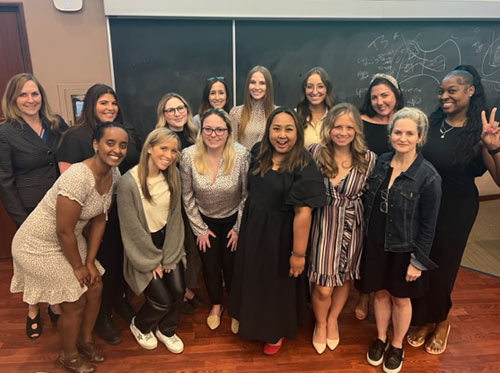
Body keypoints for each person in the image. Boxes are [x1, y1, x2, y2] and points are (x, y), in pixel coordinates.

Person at [10, 121, 128, 373]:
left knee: (95, 285)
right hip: (38, 243)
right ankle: (69, 355)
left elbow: (99, 218)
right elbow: (63, 230)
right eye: (110, 143)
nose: (117, 149)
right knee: (73, 300)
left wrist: (89, 263)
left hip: (70, 239)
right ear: (96, 144)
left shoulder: (113, 174)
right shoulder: (77, 176)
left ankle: (85, 341)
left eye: (122, 145)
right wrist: (77, 267)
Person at [408, 65, 500, 355]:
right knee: (420, 262)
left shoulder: (478, 132)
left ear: (470, 91)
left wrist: (494, 148)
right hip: (423, 205)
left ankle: (442, 321)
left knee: (443, 267)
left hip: (456, 207)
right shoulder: (433, 123)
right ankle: (423, 320)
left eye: (452, 90)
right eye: (441, 91)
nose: (444, 96)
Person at [229, 107, 325, 355]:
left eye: (289, 129)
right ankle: (250, 319)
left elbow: (303, 213)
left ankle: (274, 331)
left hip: (282, 236)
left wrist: (298, 254)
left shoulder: (304, 165)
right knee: (253, 277)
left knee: (275, 285)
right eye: (277, 128)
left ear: (297, 133)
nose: (282, 135)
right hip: (254, 228)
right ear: (268, 129)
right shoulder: (258, 151)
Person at [358, 107, 441, 373]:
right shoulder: (381, 162)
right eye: (397, 132)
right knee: (380, 293)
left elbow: (429, 225)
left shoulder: (428, 176)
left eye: (409, 133)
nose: (402, 138)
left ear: (419, 137)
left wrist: (417, 262)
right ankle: (381, 338)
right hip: (377, 242)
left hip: (405, 248)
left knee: (401, 299)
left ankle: (396, 345)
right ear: (390, 133)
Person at [58, 84, 137, 345]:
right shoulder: (75, 136)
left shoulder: (122, 132)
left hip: (113, 212)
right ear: (91, 105)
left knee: (115, 263)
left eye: (113, 103)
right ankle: (102, 317)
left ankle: (119, 302)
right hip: (85, 219)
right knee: (98, 267)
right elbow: (66, 181)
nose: (110, 107)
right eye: (103, 102)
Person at [0, 73, 68, 339]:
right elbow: (4, 180)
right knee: (32, 262)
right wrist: (20, 219)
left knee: (56, 259)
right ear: (13, 99)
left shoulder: (55, 123)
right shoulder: (5, 132)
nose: (30, 100)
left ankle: (54, 303)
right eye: (23, 95)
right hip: (29, 209)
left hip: (60, 204)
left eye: (35, 93)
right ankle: (32, 309)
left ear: (42, 96)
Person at [308, 103, 376, 354]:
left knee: (343, 278)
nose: (343, 131)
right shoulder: (314, 152)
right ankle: (321, 322)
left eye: (349, 127)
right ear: (328, 128)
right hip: (322, 224)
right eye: (338, 126)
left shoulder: (368, 159)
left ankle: (333, 318)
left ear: (357, 130)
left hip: (352, 225)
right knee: (323, 285)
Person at [116, 127, 186, 354]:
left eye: (174, 150)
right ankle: (141, 325)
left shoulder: (173, 175)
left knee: (178, 290)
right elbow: (132, 229)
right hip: (143, 248)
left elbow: (175, 219)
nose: (169, 155)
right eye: (163, 148)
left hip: (169, 243)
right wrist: (151, 260)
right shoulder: (129, 183)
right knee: (162, 299)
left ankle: (166, 329)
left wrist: (171, 255)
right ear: (149, 148)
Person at [180, 108, 249, 331]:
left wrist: (238, 228)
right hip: (204, 221)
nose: (213, 134)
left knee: (232, 267)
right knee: (210, 266)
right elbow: (187, 194)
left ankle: (236, 308)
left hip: (232, 220)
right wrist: (199, 229)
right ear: (201, 131)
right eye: (208, 129)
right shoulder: (188, 155)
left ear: (228, 132)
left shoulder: (241, 155)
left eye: (219, 129)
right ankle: (217, 306)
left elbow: (247, 194)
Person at [355, 73, 404, 321]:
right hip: (365, 192)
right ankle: (363, 293)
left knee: (388, 243)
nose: (379, 101)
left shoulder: (405, 122)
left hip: (397, 193)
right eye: (374, 97)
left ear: (396, 95)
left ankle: (383, 292)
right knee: (366, 243)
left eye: (385, 95)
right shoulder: (361, 121)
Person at [155, 92, 204, 314]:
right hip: (171, 204)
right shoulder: (160, 139)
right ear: (163, 115)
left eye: (180, 108)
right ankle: (181, 293)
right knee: (177, 248)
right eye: (171, 110)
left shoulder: (195, 135)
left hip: (196, 201)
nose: (177, 113)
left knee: (193, 249)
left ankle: (187, 288)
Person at [229, 65, 275, 149]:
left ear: (268, 86)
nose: (257, 87)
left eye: (262, 83)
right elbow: (232, 147)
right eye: (253, 82)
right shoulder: (236, 113)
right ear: (248, 85)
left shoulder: (276, 113)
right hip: (244, 161)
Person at [296, 67, 335, 148]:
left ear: (327, 89)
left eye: (320, 86)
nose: (314, 91)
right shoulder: (295, 116)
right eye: (309, 87)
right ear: (304, 89)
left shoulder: (336, 116)